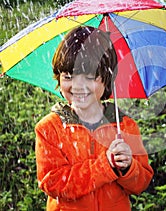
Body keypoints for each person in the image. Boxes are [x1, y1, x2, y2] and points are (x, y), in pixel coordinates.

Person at [35, 26, 154, 210]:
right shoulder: (49, 129)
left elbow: (141, 183)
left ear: (107, 78)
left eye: (89, 76)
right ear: (58, 78)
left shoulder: (124, 126)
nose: (77, 86)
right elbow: (53, 183)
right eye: (68, 76)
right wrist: (105, 166)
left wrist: (128, 167)